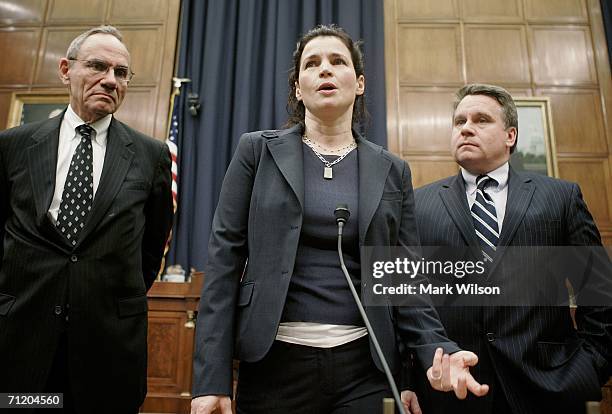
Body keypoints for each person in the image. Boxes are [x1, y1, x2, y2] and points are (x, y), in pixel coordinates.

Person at [190, 25, 488, 414]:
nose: (325, 70)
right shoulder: (256, 152)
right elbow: (223, 265)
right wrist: (210, 380)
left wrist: (436, 355)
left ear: (360, 83)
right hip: (273, 367)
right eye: (311, 64)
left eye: (338, 62)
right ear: (298, 88)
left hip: (364, 370)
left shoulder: (392, 169)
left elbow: (405, 280)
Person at [0, 26, 173, 413]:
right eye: (97, 66)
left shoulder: (151, 156)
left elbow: (151, 248)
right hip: (23, 345)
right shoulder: (13, 147)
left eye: (121, 72)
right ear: (66, 70)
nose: (110, 80)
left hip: (108, 351)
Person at [412, 83, 612, 413]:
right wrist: (412, 375)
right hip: (453, 396)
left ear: (510, 136)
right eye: (459, 121)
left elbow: (599, 294)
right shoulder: (419, 204)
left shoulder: (560, 198)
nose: (466, 128)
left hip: (548, 390)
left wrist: (588, 368)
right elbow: (409, 300)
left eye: (481, 120)